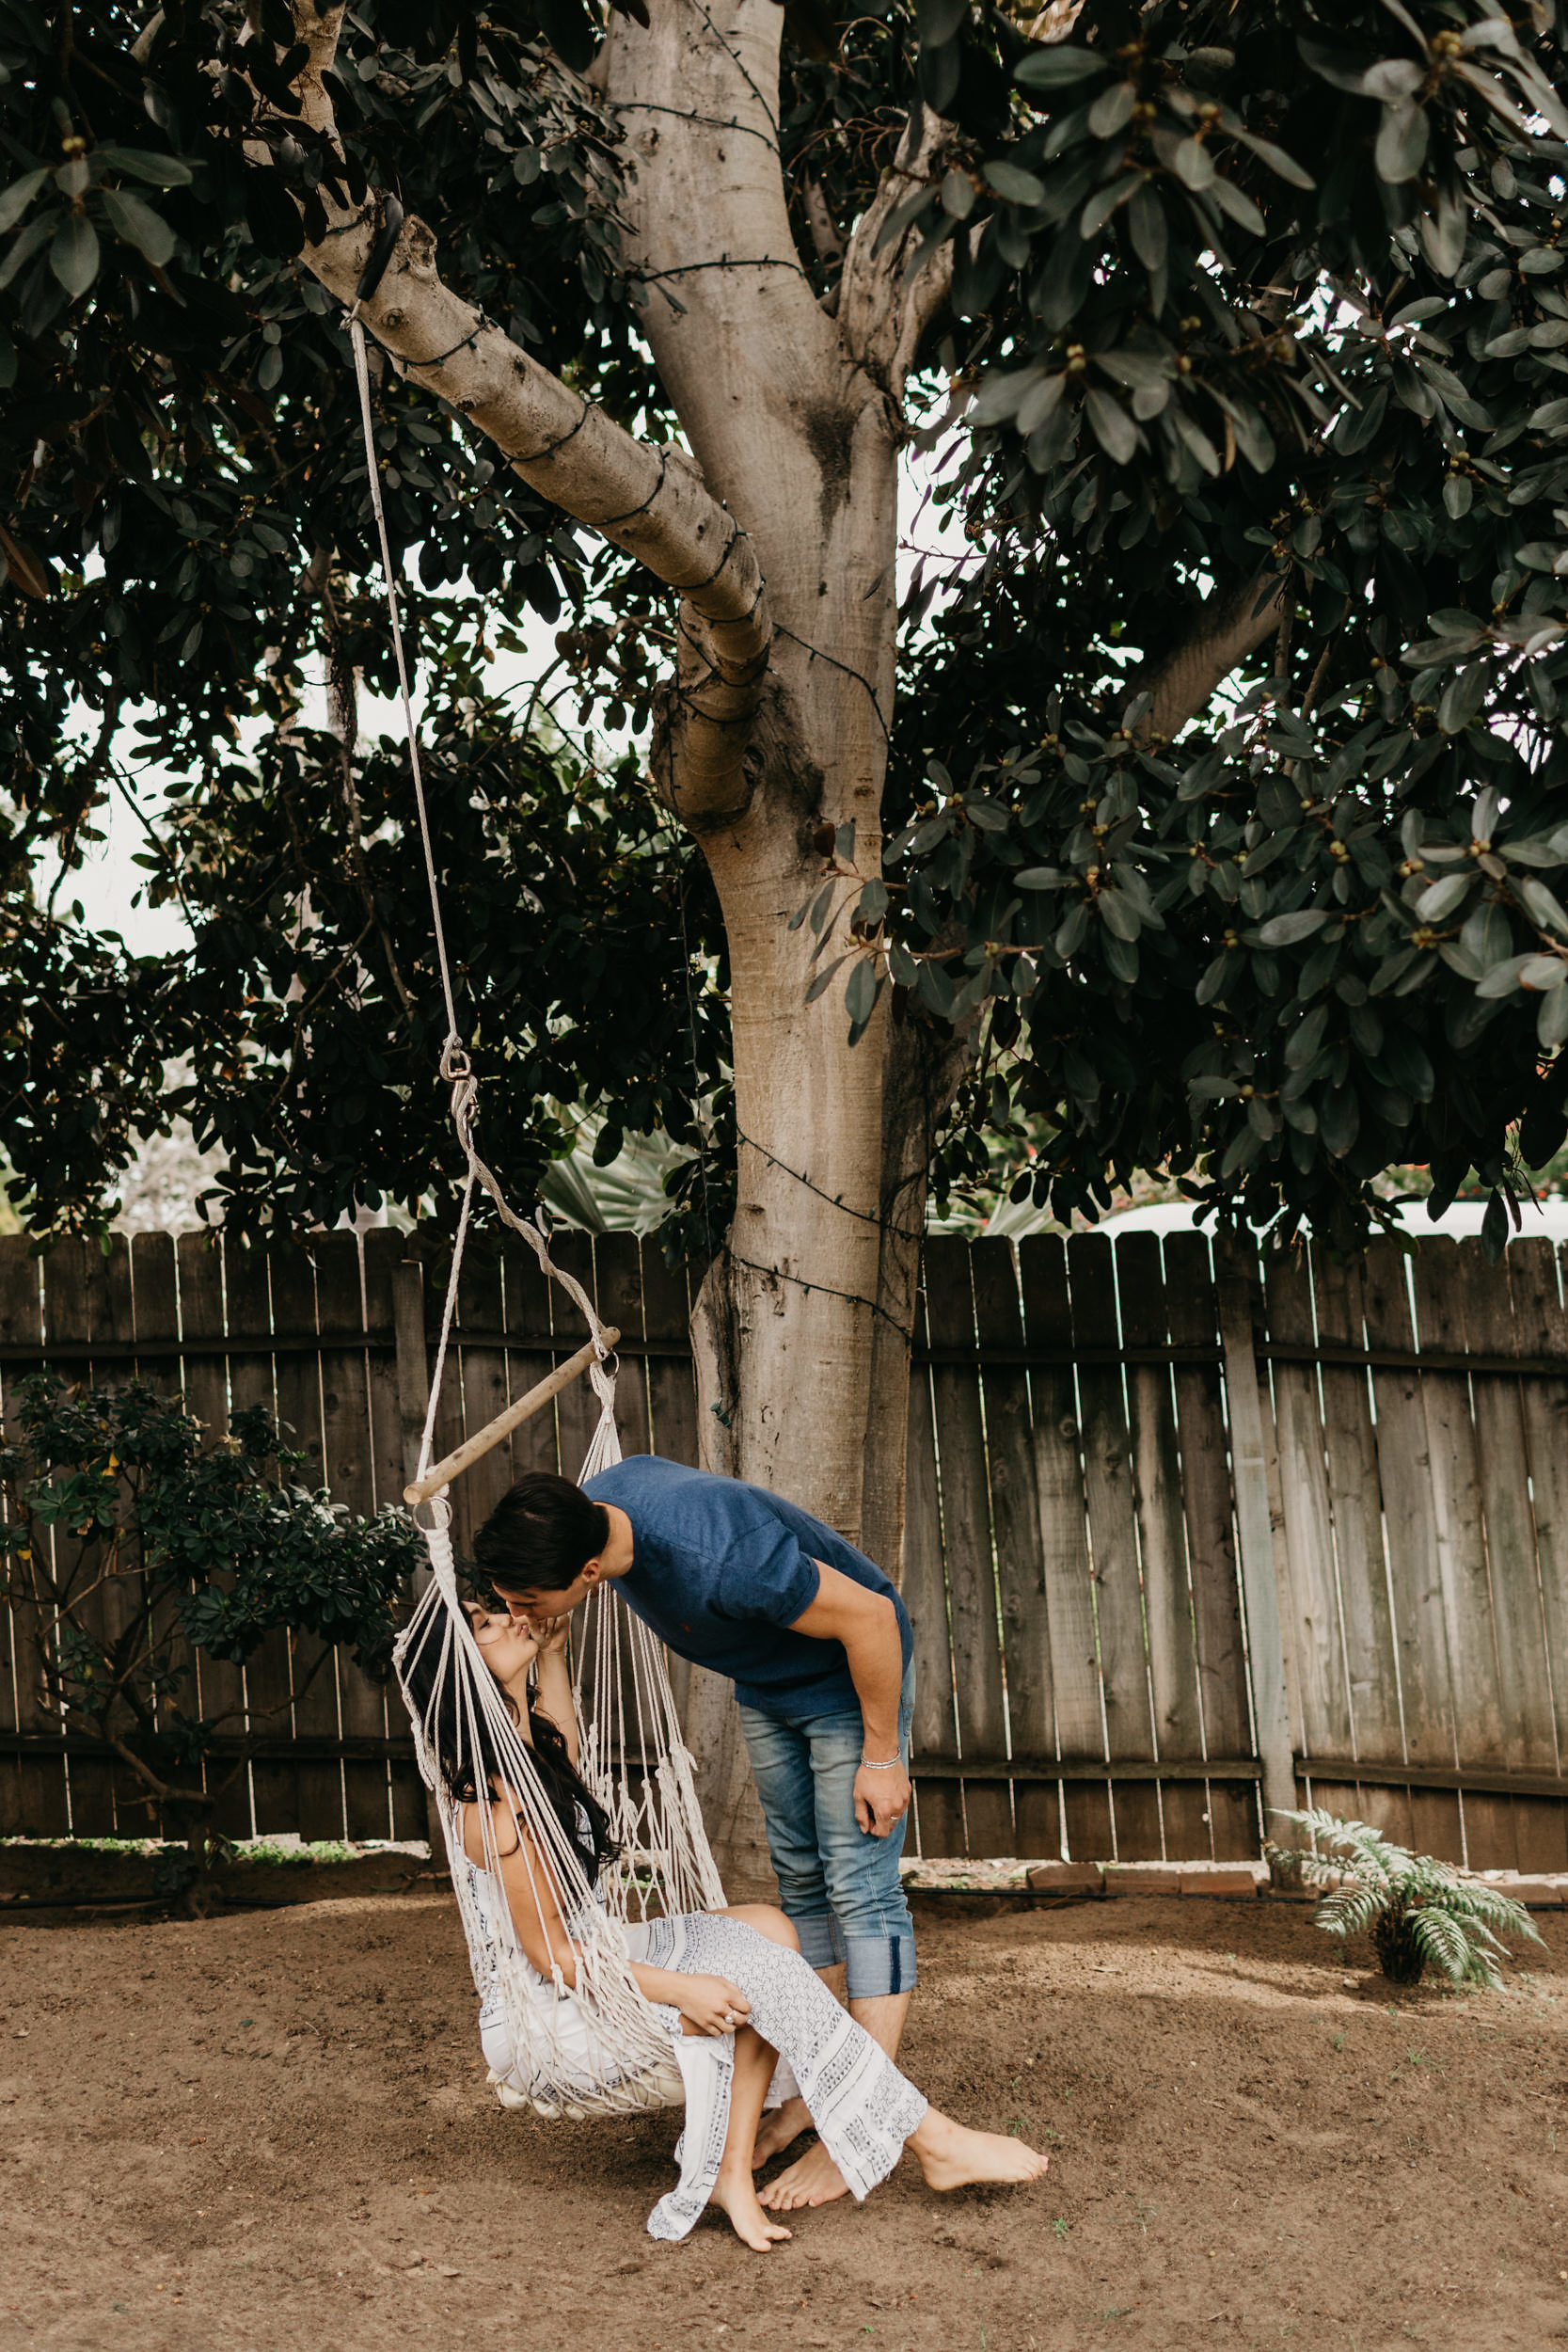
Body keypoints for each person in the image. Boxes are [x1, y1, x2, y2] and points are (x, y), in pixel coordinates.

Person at [404, 1595, 1048, 2249]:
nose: (510, 1619)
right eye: (484, 1625)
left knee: (768, 1930)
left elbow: (565, 1736)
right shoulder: (494, 1807)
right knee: (746, 1981)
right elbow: (551, 1958)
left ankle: (730, 2166)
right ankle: (927, 2137)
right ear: (462, 1674)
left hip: (593, 1951)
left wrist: (553, 1650)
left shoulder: (531, 1747)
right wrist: (679, 1987)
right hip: (547, 2012)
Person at [471, 1456, 919, 2212]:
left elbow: (871, 1616)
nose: (516, 1611)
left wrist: (881, 1754)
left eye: (526, 1599)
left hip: (845, 1676)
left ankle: (859, 2128)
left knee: (859, 1886)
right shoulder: (594, 1505)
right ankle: (816, 2092)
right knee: (800, 1883)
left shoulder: (721, 1557)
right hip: (771, 1679)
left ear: (587, 1570)